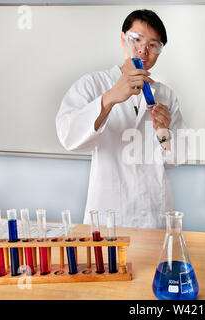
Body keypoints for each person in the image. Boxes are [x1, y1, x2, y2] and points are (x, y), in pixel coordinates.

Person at [56, 9, 186, 228]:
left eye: (154, 45)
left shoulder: (166, 95)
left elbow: (176, 159)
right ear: (123, 38)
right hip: (109, 213)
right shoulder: (93, 84)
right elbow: (69, 136)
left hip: (153, 213)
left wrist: (164, 133)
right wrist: (109, 99)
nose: (143, 50)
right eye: (137, 39)